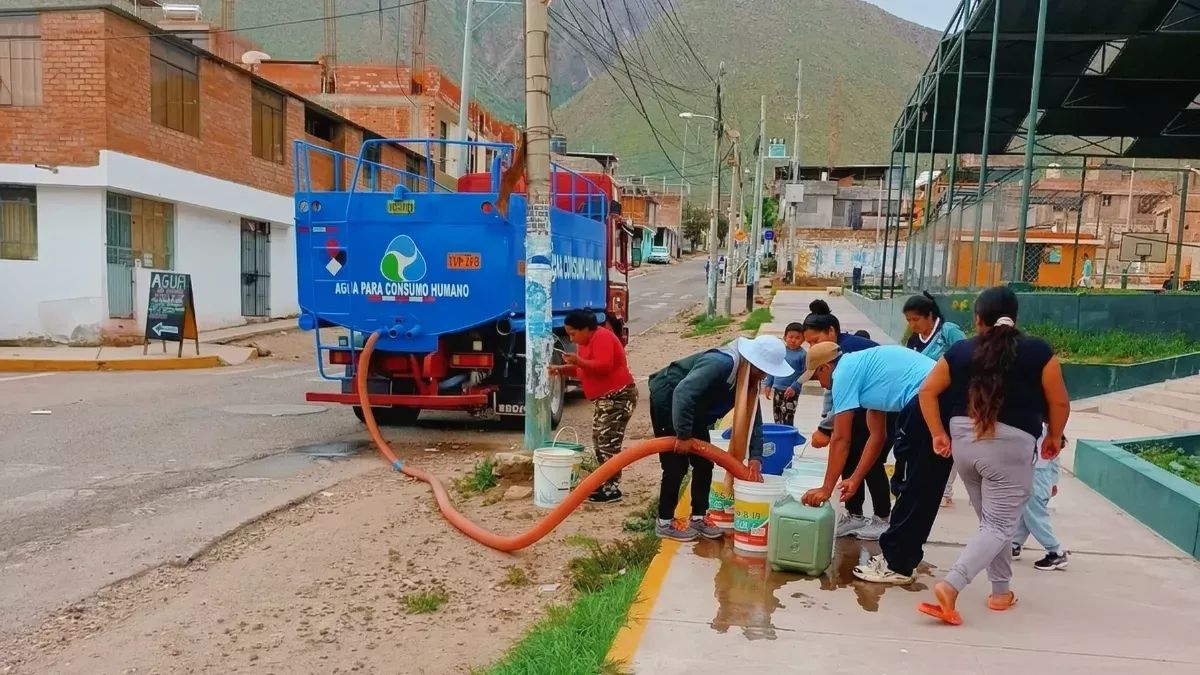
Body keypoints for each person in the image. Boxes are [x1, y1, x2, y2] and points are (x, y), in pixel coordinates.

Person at [914, 286, 1070, 625]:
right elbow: (1059, 402)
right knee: (1000, 524)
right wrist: (1054, 436)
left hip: (964, 444)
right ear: (1015, 317)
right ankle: (952, 585)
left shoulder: (960, 350)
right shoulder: (1038, 350)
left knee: (992, 525)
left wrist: (938, 434)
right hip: (1010, 446)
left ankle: (1001, 592)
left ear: (977, 319)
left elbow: (927, 391)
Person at [798, 343, 939, 582]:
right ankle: (902, 556)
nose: (821, 385)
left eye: (816, 377)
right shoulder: (864, 373)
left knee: (910, 483)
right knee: (917, 482)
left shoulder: (843, 373)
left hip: (927, 398)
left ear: (825, 367)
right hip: (930, 396)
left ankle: (897, 563)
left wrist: (826, 488)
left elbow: (841, 438)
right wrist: (854, 478)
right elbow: (877, 437)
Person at [647, 335, 794, 542]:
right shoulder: (722, 363)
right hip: (670, 396)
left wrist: (756, 457)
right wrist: (684, 435)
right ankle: (664, 522)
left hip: (692, 405)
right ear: (753, 362)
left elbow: (754, 418)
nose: (763, 377)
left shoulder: (747, 380)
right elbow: (683, 392)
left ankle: (698, 517)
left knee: (705, 463)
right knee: (676, 464)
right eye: (762, 370)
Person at [801, 301, 890, 540]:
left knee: (870, 462)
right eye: (809, 343)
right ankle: (855, 515)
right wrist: (825, 422)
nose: (812, 347)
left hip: (886, 405)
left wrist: (825, 428)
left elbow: (842, 426)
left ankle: (882, 519)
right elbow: (834, 394)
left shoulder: (846, 351)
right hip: (866, 404)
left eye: (815, 341)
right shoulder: (831, 353)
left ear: (831, 332)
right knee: (850, 457)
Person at [551, 310, 638, 504]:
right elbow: (585, 370)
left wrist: (578, 361)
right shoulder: (584, 344)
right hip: (603, 399)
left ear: (586, 329)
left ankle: (612, 488)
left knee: (608, 441)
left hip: (618, 396)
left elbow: (603, 366)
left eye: (573, 333)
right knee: (599, 440)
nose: (572, 338)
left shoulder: (602, 337)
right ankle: (606, 481)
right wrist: (562, 368)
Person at [902, 292, 967, 507]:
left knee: (949, 442)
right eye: (909, 320)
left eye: (916, 319)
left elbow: (969, 356)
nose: (912, 324)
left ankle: (945, 489)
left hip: (950, 398)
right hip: (923, 400)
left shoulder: (948, 332)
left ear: (930, 315)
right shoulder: (912, 340)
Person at [1013, 426, 1070, 572]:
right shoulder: (1051, 432)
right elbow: (1055, 461)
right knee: (1026, 515)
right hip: (1041, 479)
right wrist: (1053, 482)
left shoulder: (1035, 429)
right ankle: (1013, 545)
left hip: (1034, 478)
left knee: (1035, 517)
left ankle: (1055, 552)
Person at [762, 323, 806, 427]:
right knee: (777, 416)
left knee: (788, 417)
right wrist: (768, 384)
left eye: (797, 338)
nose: (793, 340)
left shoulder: (803, 355)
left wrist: (795, 387)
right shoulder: (780, 352)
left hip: (792, 391)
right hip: (778, 389)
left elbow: (803, 374)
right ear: (785, 337)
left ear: (803, 339)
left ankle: (788, 436)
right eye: (790, 337)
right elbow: (773, 368)